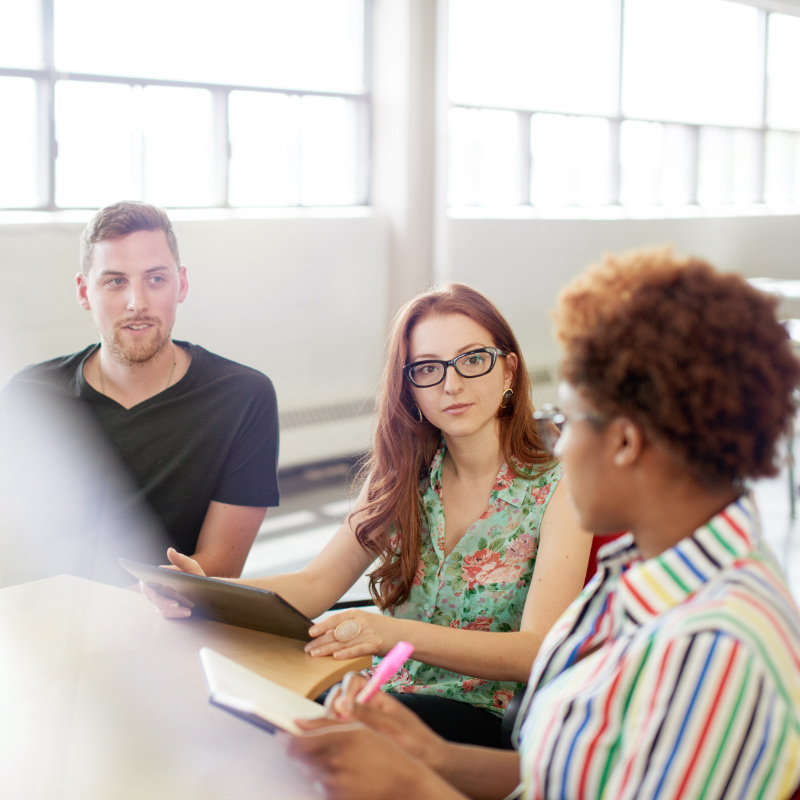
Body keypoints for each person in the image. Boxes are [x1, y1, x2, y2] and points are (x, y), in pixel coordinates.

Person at [285, 247, 800, 800]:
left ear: (624, 442)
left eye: (569, 419)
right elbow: (570, 778)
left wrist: (411, 785)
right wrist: (432, 756)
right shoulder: (647, 583)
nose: (559, 442)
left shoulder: (711, 646)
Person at [145, 282, 593, 748]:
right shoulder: (401, 475)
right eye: (428, 369)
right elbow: (315, 585)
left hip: (484, 719)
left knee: (305, 741)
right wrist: (208, 593)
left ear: (509, 371)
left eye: (473, 360)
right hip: (381, 692)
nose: (452, 384)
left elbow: (536, 648)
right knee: (232, 710)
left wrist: (390, 633)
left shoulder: (560, 489)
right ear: (410, 388)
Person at [2, 201, 279, 582]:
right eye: (116, 281)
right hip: (47, 618)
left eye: (155, 279)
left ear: (180, 284)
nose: (138, 304)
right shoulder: (31, 395)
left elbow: (218, 571)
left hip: (167, 624)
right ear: (84, 292)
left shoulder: (243, 397)